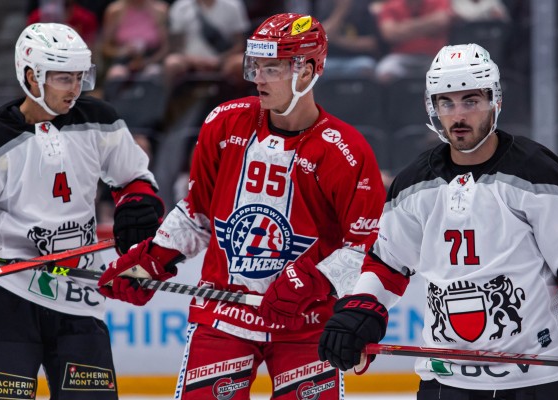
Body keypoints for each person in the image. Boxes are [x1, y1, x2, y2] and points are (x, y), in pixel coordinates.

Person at [317, 43, 558, 398]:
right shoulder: (414, 184)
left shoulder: (538, 173)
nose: (458, 115)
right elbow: (389, 264)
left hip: (541, 380)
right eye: (446, 103)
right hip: (447, 380)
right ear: (433, 107)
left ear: (495, 101)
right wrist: (361, 311)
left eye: (471, 101)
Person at [97, 13, 386, 399]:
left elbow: (363, 247)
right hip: (224, 312)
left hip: (307, 320)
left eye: (273, 68)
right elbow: (198, 212)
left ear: (309, 69)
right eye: (257, 66)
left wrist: (311, 281)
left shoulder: (344, 151)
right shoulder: (224, 123)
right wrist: (151, 259)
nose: (258, 78)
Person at [0, 23, 163, 398]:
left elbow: (136, 179)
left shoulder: (99, 120)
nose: (75, 89)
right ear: (31, 76)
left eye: (79, 77)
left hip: (78, 295)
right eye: (63, 78)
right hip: (10, 296)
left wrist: (137, 205)